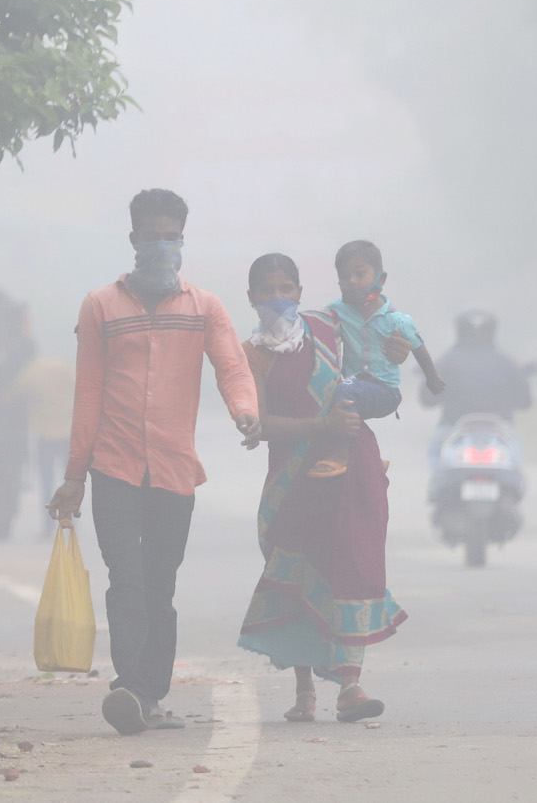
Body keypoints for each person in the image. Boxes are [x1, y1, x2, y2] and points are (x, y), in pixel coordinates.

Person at [47, 189, 260, 737]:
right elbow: (88, 392)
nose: (162, 245)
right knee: (126, 579)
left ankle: (149, 695)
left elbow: (232, 368)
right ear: (134, 239)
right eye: (152, 235)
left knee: (161, 582)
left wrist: (245, 412)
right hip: (112, 467)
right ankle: (132, 688)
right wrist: (75, 475)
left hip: (174, 468)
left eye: (172, 236)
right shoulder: (100, 306)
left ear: (182, 240)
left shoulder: (204, 307)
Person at [237, 253, 405, 723]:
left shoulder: (329, 327)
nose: (278, 298)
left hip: (353, 465)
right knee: (298, 574)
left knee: (354, 563)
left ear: (300, 292)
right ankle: (304, 690)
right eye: (267, 291)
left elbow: (375, 351)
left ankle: (350, 685)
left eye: (286, 288)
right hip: (292, 478)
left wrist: (399, 350)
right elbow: (262, 422)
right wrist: (321, 423)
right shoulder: (250, 354)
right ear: (250, 298)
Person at [306, 240, 445, 478]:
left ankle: (340, 455)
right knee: (333, 399)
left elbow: (418, 349)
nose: (352, 281)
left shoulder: (397, 320)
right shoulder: (335, 312)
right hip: (354, 387)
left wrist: (432, 379)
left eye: (359, 274)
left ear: (380, 279)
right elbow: (314, 326)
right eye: (344, 276)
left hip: (384, 390)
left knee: (344, 396)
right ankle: (368, 461)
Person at [423, 310, 531, 469]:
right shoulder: (507, 362)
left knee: (435, 452)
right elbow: (525, 401)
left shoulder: (446, 361)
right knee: (514, 459)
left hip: (452, 426)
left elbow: (427, 399)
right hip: (502, 427)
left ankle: (438, 491)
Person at [11, 357, 75, 540]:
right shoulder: (64, 367)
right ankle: (70, 522)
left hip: (46, 434)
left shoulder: (31, 373)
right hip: (68, 431)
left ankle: (48, 527)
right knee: (71, 480)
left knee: (47, 483)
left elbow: (14, 394)